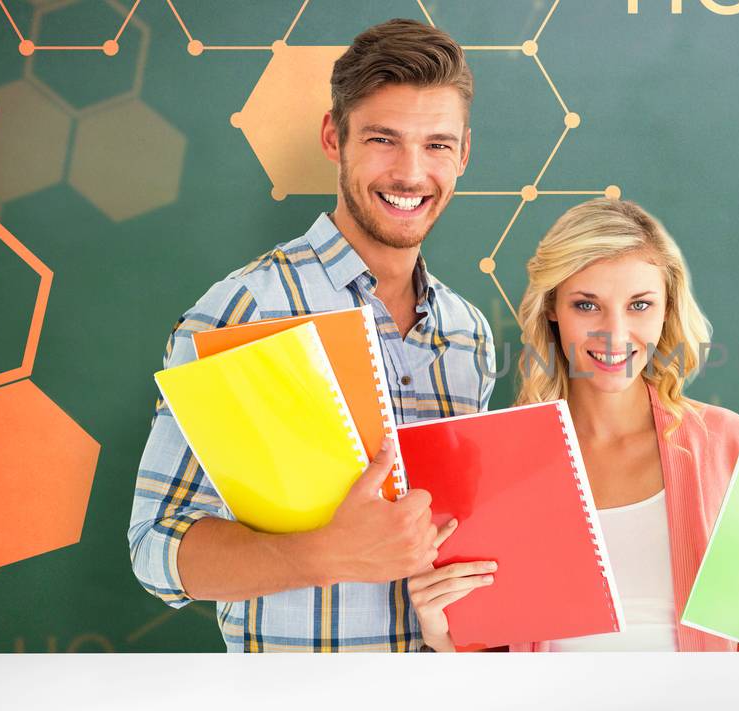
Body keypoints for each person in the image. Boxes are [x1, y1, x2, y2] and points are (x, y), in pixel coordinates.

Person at [128, 19, 497, 652]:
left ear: (464, 154)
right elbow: (156, 546)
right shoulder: (244, 310)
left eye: (437, 145)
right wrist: (329, 554)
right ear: (335, 137)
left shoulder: (469, 334)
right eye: (384, 139)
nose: (411, 173)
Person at [406, 199, 739, 652]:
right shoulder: (497, 464)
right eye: (586, 304)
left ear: (666, 313)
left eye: (639, 305)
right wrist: (442, 635)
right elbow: (490, 668)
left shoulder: (729, 446)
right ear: (552, 310)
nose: (614, 333)